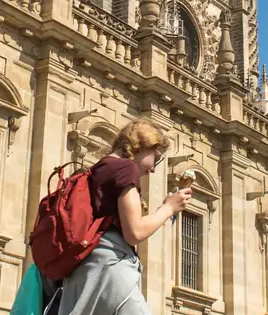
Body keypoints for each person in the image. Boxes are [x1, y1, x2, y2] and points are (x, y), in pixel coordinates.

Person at [58, 119, 192, 315]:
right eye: (156, 158)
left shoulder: (100, 168)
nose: (154, 168)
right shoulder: (124, 168)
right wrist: (168, 208)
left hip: (87, 270)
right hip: (111, 269)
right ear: (144, 144)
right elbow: (134, 231)